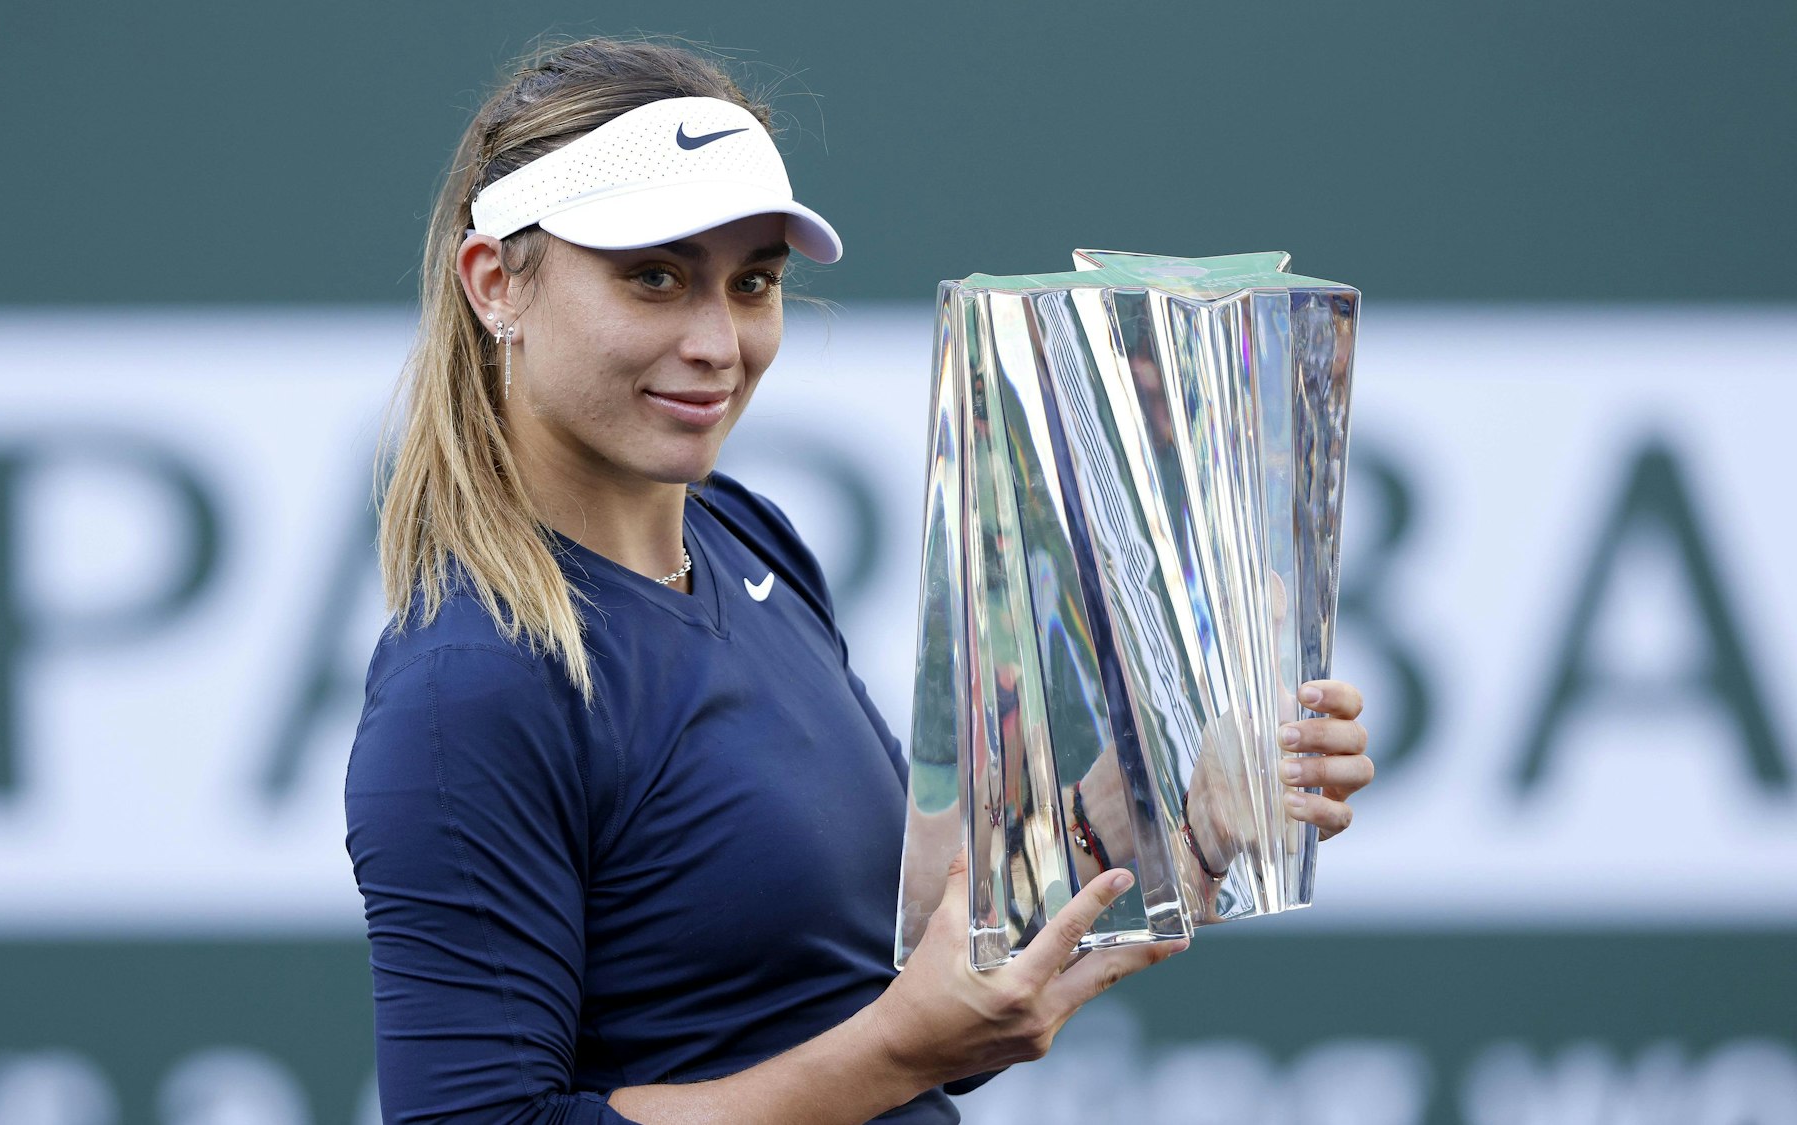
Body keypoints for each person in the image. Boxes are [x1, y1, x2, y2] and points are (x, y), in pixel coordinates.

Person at [344, 35, 1377, 1125]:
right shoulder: (471, 686)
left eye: (751, 285)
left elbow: (904, 976)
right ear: (496, 282)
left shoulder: (747, 538)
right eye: (653, 277)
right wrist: (893, 1054)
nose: (716, 341)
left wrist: (1167, 805)